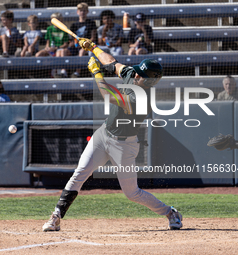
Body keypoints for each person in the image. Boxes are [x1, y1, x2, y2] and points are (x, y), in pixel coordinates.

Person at [42, 37, 183, 232]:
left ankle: (170, 212)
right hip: (103, 135)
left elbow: (108, 95)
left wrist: (96, 73)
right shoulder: (133, 74)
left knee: (132, 193)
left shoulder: (141, 99)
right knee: (79, 174)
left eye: (140, 75)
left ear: (149, 80)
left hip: (124, 146)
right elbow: (112, 63)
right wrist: (93, 48)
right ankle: (56, 216)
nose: (135, 75)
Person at [35, 12, 70, 78]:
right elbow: (47, 42)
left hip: (59, 48)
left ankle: (59, 73)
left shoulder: (64, 29)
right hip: (51, 49)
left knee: (59, 53)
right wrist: (47, 48)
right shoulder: (49, 29)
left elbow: (66, 44)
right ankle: (42, 73)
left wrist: (56, 48)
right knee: (38, 55)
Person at [69, 2, 97, 78]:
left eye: (84, 10)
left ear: (87, 12)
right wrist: (74, 44)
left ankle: (77, 73)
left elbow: (93, 38)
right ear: (77, 12)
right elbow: (72, 39)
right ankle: (62, 72)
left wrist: (84, 44)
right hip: (76, 47)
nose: (82, 12)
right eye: (81, 10)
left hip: (88, 46)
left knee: (81, 51)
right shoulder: (74, 25)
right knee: (63, 51)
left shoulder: (91, 23)